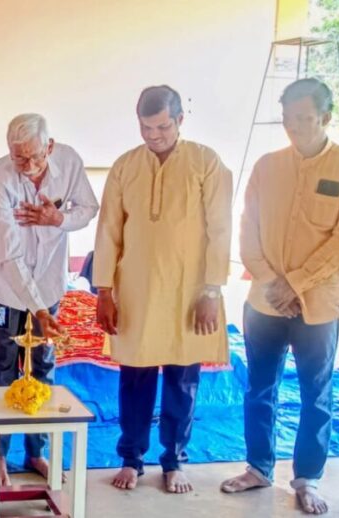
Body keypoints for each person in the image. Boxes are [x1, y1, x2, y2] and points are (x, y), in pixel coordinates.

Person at [221, 78, 339, 515]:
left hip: (317, 304)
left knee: (315, 393)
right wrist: (272, 280)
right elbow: (247, 228)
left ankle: (307, 478)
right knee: (259, 387)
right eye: (288, 119)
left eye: (305, 119)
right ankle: (258, 467)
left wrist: (297, 282)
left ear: (326, 117)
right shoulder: (267, 166)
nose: (295, 127)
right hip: (265, 300)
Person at [93, 85, 232, 494]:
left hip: (189, 292)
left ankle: (174, 460)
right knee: (134, 376)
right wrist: (105, 291)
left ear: (180, 121)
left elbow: (221, 229)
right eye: (146, 127)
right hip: (136, 290)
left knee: (182, 379)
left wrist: (212, 292)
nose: (154, 136)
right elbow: (108, 230)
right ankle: (131, 458)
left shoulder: (206, 162)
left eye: (162, 127)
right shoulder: (125, 166)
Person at [0, 113, 99, 485]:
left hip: (49, 284)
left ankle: (37, 452)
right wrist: (37, 310)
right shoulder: (0, 178)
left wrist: (57, 219)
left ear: (50, 146)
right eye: (19, 157)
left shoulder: (69, 161)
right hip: (4, 286)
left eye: (35, 156)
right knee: (2, 366)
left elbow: (88, 209)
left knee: (43, 365)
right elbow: (11, 254)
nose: (28, 165)